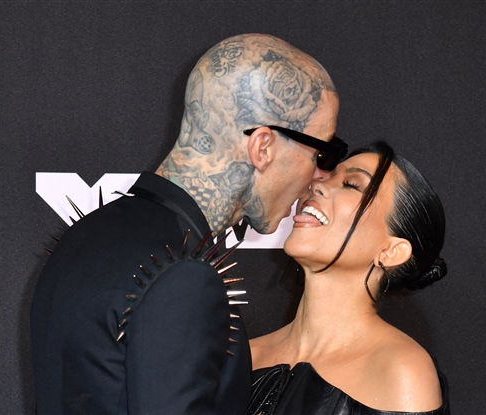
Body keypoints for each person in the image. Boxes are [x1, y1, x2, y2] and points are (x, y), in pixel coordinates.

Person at [30, 33, 346, 414]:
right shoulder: (184, 279)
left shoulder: (87, 235)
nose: (318, 176)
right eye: (320, 154)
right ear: (262, 147)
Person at [248, 141, 450, 415]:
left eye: (351, 185)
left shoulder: (401, 371)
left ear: (391, 252)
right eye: (328, 175)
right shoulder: (241, 358)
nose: (316, 184)